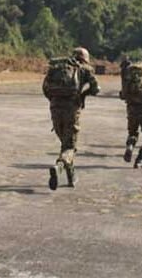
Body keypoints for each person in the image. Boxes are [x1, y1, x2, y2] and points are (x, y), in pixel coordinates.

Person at [42, 47, 100, 190]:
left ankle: (71, 177)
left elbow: (45, 88)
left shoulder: (57, 68)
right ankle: (59, 166)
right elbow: (96, 88)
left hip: (55, 109)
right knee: (69, 146)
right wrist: (83, 95)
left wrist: (54, 101)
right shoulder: (85, 69)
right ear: (85, 57)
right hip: (71, 110)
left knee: (65, 143)